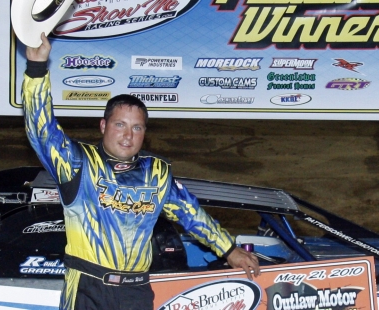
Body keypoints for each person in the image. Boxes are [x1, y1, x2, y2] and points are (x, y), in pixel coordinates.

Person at [23, 33, 260, 310]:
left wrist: (229, 250)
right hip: (88, 287)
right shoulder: (78, 163)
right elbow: (42, 131)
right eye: (120, 125)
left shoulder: (156, 173)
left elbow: (191, 213)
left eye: (137, 127)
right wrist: (37, 70)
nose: (127, 135)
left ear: (144, 133)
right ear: (103, 126)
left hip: (136, 291)